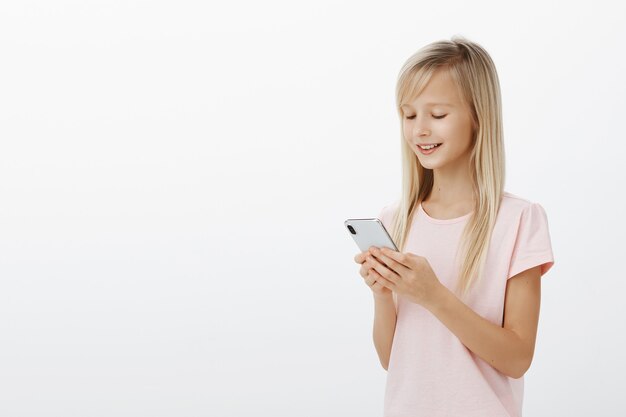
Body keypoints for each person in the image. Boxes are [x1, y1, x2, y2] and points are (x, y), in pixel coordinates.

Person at [353, 36, 555, 417]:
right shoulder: (394, 220)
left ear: (478, 116)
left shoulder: (518, 221)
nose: (419, 130)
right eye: (409, 115)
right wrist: (382, 294)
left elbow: (516, 358)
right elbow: (389, 359)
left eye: (438, 115)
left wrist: (433, 295)